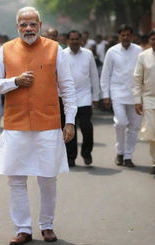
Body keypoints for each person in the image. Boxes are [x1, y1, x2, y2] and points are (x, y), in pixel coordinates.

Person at [0, 6, 77, 245]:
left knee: (47, 177)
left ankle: (47, 225)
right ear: (17, 26)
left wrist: (69, 121)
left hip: (48, 123)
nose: (28, 28)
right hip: (16, 123)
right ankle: (23, 228)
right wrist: (14, 81)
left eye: (32, 24)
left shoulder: (55, 49)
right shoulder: (5, 49)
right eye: (23, 24)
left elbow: (68, 87)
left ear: (40, 25)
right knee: (16, 179)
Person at [101, 24, 142, 167]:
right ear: (119, 36)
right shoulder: (112, 52)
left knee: (135, 126)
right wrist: (105, 95)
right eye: (122, 35)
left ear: (132, 36)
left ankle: (128, 155)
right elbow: (105, 74)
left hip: (136, 94)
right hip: (117, 92)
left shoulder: (139, 51)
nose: (125, 37)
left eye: (128, 35)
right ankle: (120, 151)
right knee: (120, 122)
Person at [63, 30, 100, 167]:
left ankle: (86, 153)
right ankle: (71, 157)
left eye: (76, 39)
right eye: (71, 39)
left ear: (81, 40)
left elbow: (94, 76)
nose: (74, 41)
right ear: (67, 40)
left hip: (85, 97)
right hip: (67, 98)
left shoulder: (88, 54)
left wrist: (96, 96)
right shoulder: (62, 54)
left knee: (86, 127)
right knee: (69, 127)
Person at [133, 29, 155, 174]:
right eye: (153, 39)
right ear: (150, 41)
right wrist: (137, 100)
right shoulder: (143, 56)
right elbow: (137, 79)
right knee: (153, 132)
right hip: (150, 99)